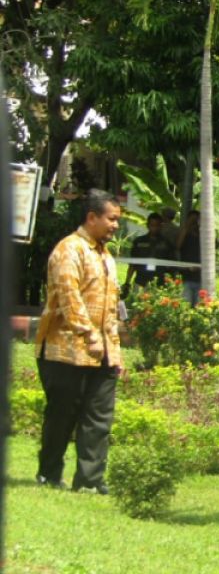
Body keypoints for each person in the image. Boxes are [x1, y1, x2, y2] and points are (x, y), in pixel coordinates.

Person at [34, 189, 125, 493]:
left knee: (99, 419)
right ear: (91, 217)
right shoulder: (68, 250)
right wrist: (89, 336)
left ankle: (89, 481)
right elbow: (69, 299)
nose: (115, 225)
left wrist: (115, 350)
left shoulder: (106, 256)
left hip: (103, 353)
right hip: (64, 351)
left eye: (117, 220)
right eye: (111, 219)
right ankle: (49, 473)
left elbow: (111, 308)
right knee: (62, 416)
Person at [123, 212, 176, 293]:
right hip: (141, 281)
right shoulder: (139, 242)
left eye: (157, 225)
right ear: (148, 225)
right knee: (137, 304)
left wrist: (170, 285)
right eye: (152, 225)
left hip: (159, 283)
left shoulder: (166, 243)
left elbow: (171, 266)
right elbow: (132, 264)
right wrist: (127, 282)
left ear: (161, 226)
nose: (154, 228)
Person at [176, 209, 202, 304]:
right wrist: (187, 226)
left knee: (200, 307)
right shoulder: (185, 235)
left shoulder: (204, 235)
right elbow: (177, 245)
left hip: (201, 277)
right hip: (187, 277)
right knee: (185, 305)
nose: (194, 223)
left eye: (196, 221)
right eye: (192, 221)